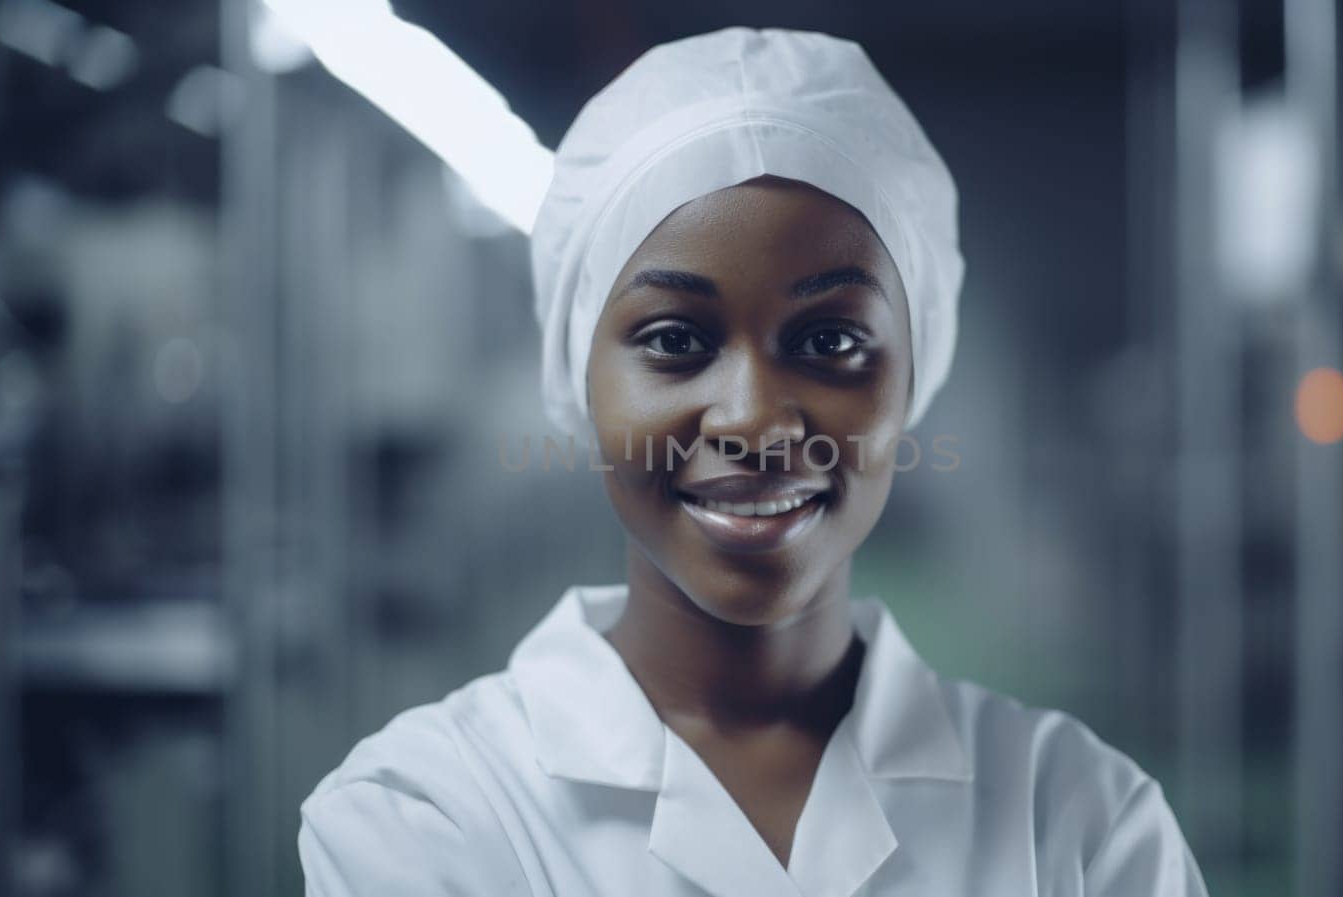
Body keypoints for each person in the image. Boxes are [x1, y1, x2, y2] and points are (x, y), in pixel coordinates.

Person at [298, 26, 1209, 897]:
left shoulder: (1088, 825)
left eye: (830, 340)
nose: (756, 419)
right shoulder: (426, 818)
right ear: (580, 377)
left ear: (914, 375)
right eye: (673, 338)